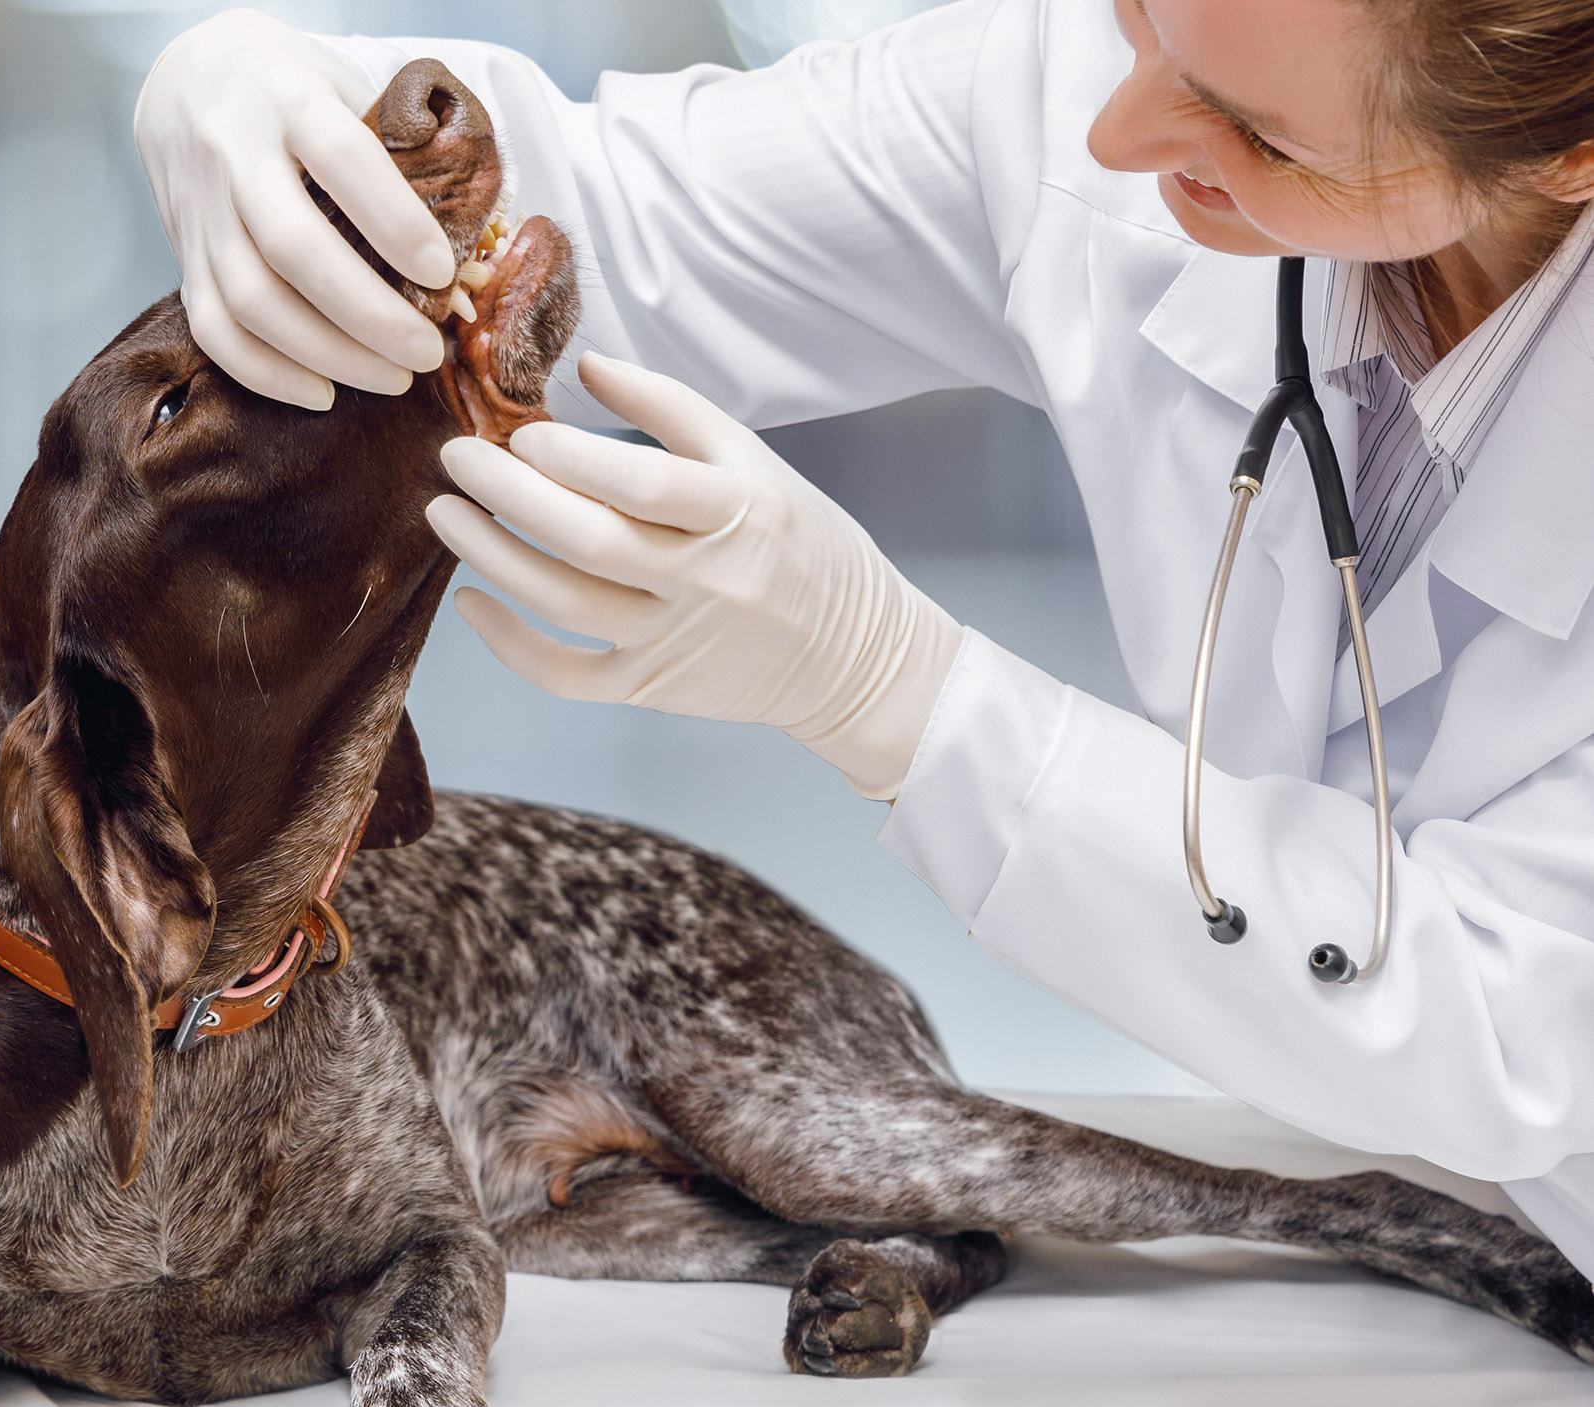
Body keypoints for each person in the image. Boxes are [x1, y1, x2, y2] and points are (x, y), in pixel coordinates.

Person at [132, 0, 1594, 1278]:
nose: (1112, 130)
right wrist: (276, 95)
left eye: (1255, 132)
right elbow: (628, 222)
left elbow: (1516, 1012)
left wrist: (904, 693)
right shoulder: (1084, 78)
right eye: (1142, 9)